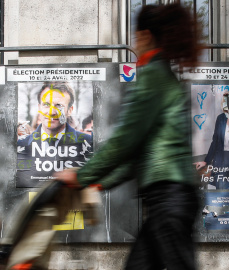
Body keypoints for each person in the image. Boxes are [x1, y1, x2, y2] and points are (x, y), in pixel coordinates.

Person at [55, 3, 202, 270]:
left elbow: (125, 141)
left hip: (168, 200)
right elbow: (138, 153)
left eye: (135, 37)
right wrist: (99, 183)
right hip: (169, 200)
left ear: (145, 36)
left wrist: (81, 176)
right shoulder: (164, 76)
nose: (134, 45)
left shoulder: (153, 78)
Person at [17, 82, 93, 188]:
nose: (52, 112)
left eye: (59, 105)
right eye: (46, 104)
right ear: (39, 108)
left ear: (70, 110)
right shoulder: (19, 146)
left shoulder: (90, 144)